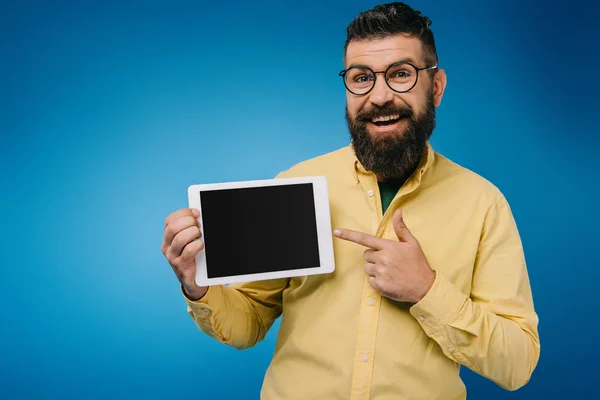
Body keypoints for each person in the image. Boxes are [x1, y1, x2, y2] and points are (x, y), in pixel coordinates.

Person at [161, 2, 540, 399]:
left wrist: (427, 290)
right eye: (361, 78)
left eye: (401, 75)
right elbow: (248, 321)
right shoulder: (295, 185)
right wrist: (196, 284)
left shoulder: (483, 204)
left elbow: (516, 363)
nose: (379, 96)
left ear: (437, 86)